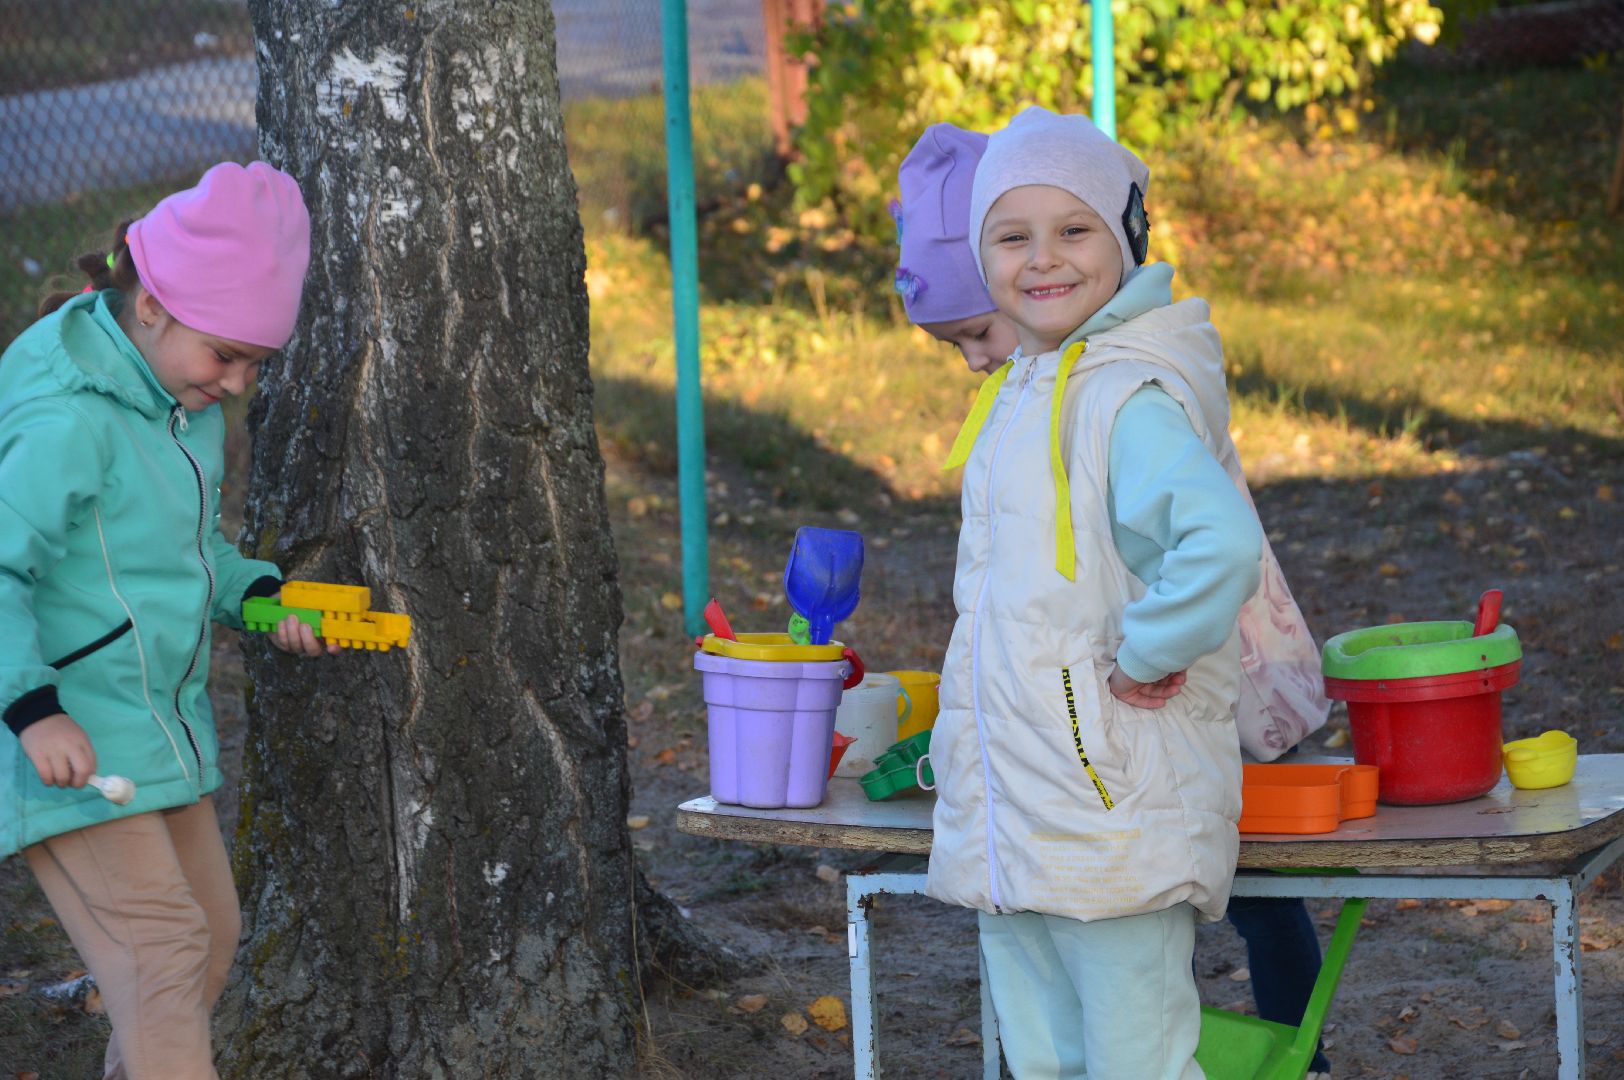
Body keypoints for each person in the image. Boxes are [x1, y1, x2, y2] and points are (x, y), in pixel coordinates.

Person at [895, 121, 1335, 1077]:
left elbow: (1218, 544)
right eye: (1012, 238)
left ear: (1126, 241)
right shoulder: (1026, 386)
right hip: (1022, 814)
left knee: (1136, 1061)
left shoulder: (1125, 395)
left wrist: (1149, 652)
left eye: (1074, 231)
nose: (1042, 259)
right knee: (1046, 1058)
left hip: (1110, 805)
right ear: (982, 256)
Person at [0, 161, 333, 1080]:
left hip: (154, 728)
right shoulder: (67, 420)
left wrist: (262, 600)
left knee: (209, 939)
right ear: (152, 307)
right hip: (67, 739)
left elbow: (183, 552)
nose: (233, 384)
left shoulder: (172, 402)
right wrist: (32, 710)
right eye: (224, 355)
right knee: (161, 957)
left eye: (253, 367)